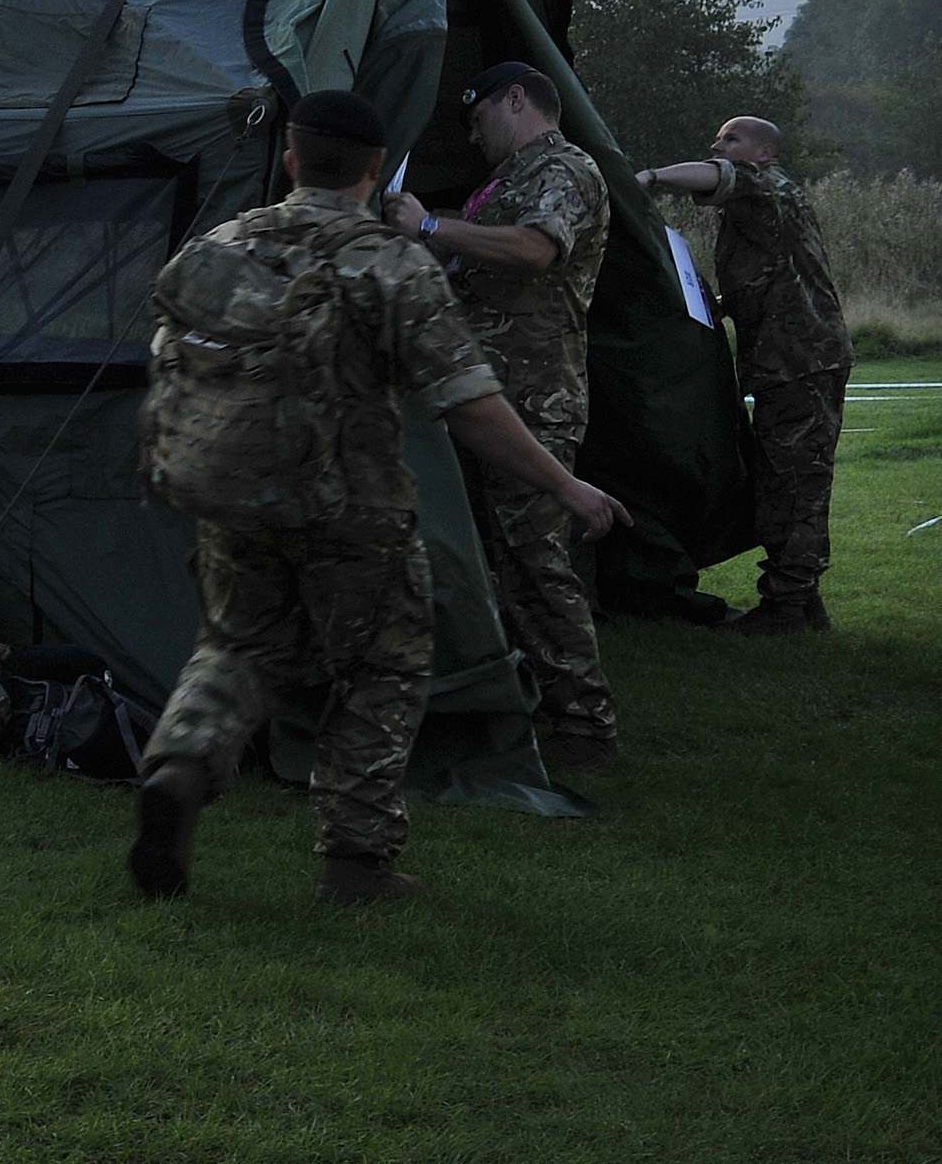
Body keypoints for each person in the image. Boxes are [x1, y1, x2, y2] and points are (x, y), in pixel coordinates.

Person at [134, 90, 629, 907]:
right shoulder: (387, 262)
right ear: (374, 172)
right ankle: (356, 863)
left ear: (290, 160)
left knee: (235, 645)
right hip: (350, 509)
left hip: (232, 498)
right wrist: (565, 484)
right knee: (380, 668)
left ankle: (181, 767)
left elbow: (173, 361)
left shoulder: (223, 243)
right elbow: (470, 404)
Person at [384, 60, 619, 770]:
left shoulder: (563, 169)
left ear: (516, 100)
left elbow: (536, 248)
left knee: (536, 565)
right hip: (494, 396)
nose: (474, 133)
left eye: (479, 116)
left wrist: (430, 224)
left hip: (534, 399)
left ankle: (585, 723)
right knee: (503, 563)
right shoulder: (511, 180)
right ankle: (530, 706)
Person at [637, 114, 851, 633]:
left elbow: (714, 175)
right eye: (716, 140)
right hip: (789, 362)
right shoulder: (755, 208)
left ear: (764, 154)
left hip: (802, 362)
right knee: (785, 478)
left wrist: (650, 178)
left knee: (797, 482)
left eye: (731, 140)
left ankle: (787, 607)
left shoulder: (769, 185)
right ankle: (801, 600)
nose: (719, 148)